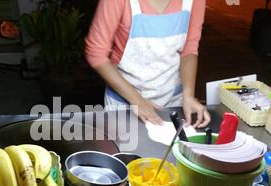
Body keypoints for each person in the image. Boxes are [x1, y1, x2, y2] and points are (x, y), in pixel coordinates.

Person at [85, 0, 211, 128]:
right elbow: (96, 54)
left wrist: (188, 94)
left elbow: (189, 49)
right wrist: (136, 100)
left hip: (172, 103)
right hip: (124, 105)